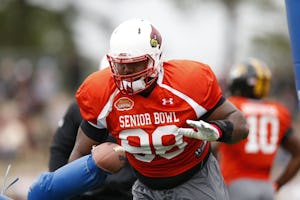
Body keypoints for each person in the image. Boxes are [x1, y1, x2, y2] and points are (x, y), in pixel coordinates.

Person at [28, 18, 249, 200]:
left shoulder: (189, 82)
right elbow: (80, 151)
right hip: (144, 186)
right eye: (120, 64)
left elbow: (240, 123)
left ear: (155, 58)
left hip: (195, 179)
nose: (125, 71)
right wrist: (65, 189)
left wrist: (219, 130)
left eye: (135, 63)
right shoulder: (101, 90)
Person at [214, 58, 300, 200]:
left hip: (235, 184)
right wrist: (278, 184)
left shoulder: (232, 107)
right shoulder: (278, 110)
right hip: (266, 188)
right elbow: (298, 152)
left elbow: (212, 146)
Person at [48, 100, 136, 200]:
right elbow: (60, 150)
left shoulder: (143, 108)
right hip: (88, 191)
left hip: (131, 191)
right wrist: (62, 190)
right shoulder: (81, 107)